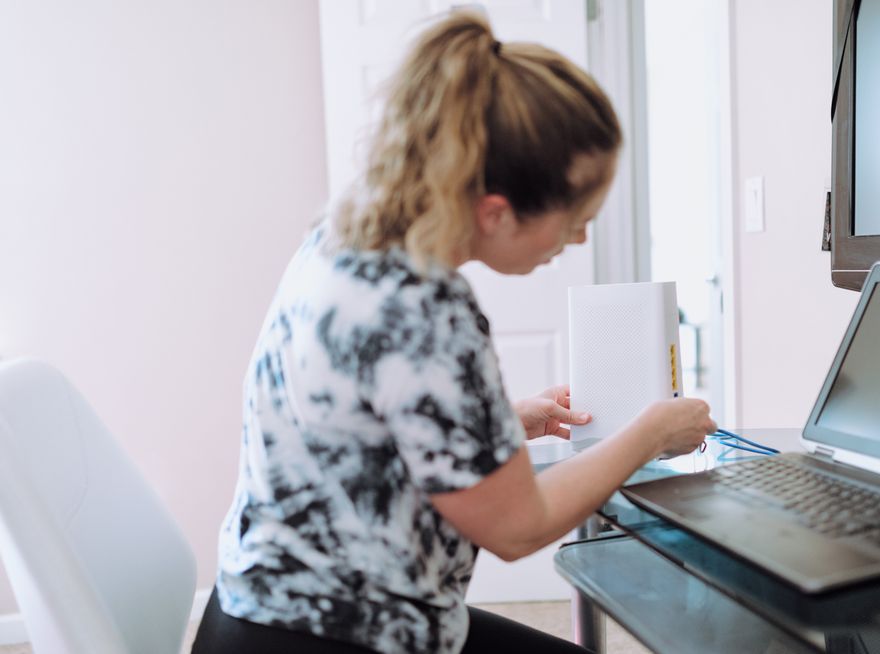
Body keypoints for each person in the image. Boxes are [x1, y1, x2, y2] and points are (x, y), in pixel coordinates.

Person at [192, 10, 716, 654]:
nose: (581, 237)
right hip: (330, 637)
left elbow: (366, 423)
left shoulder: (346, 234)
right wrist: (652, 431)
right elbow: (519, 528)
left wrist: (497, 423)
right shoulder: (426, 307)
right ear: (495, 212)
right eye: (574, 217)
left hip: (256, 613)